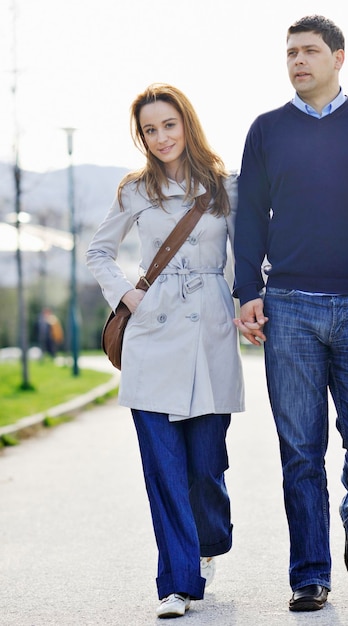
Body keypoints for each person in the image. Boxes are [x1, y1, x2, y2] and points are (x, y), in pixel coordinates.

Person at [233, 15, 348, 613]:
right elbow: (251, 217)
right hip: (288, 307)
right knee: (300, 449)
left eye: (310, 51)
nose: (298, 61)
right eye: (290, 53)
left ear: (340, 57)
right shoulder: (266, 131)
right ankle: (310, 573)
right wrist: (247, 291)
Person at [86, 83, 244, 619]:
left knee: (205, 465)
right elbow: (98, 250)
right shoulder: (134, 190)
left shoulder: (225, 186)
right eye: (149, 130)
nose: (160, 138)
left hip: (211, 335)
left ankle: (207, 542)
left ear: (187, 124)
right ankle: (175, 582)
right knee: (163, 466)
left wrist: (251, 302)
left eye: (168, 125)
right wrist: (125, 293)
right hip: (153, 333)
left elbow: (247, 257)